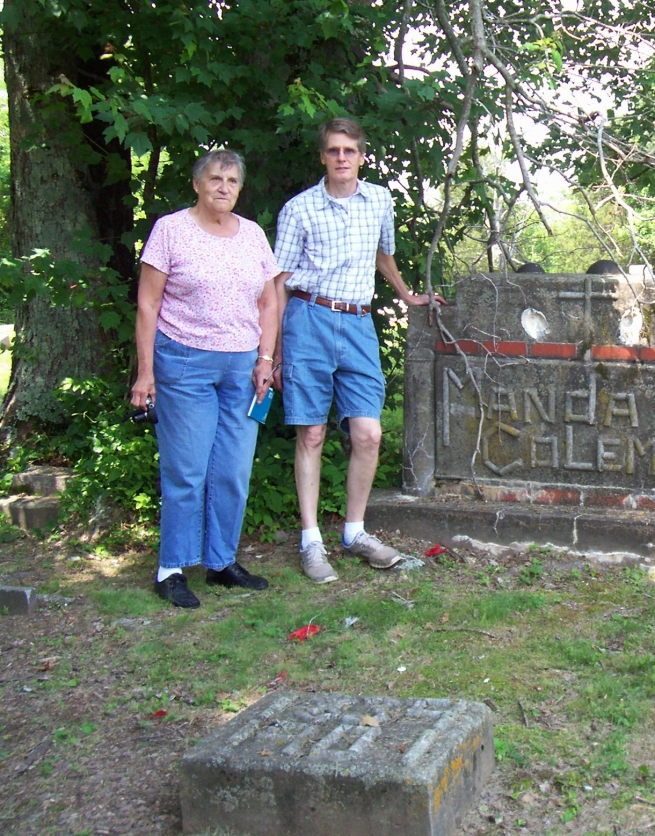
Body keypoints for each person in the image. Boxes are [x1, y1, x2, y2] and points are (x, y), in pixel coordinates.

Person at [273, 117, 439, 584]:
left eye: (349, 150)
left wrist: (406, 295)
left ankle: (355, 533)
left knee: (368, 434)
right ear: (322, 157)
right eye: (333, 151)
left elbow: (382, 255)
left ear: (361, 156)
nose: (341, 157)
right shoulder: (299, 209)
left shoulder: (379, 200)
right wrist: (275, 351)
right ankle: (311, 542)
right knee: (311, 435)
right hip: (308, 320)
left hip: (360, 322)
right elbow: (279, 282)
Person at [131, 149, 279, 609]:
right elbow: (148, 305)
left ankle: (221, 562)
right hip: (184, 365)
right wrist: (145, 373)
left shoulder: (252, 235)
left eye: (232, 181)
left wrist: (265, 358)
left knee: (232, 471)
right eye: (215, 178)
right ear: (197, 184)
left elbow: (269, 303)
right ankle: (171, 568)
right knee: (187, 470)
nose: (224, 187)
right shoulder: (170, 230)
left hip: (241, 368)